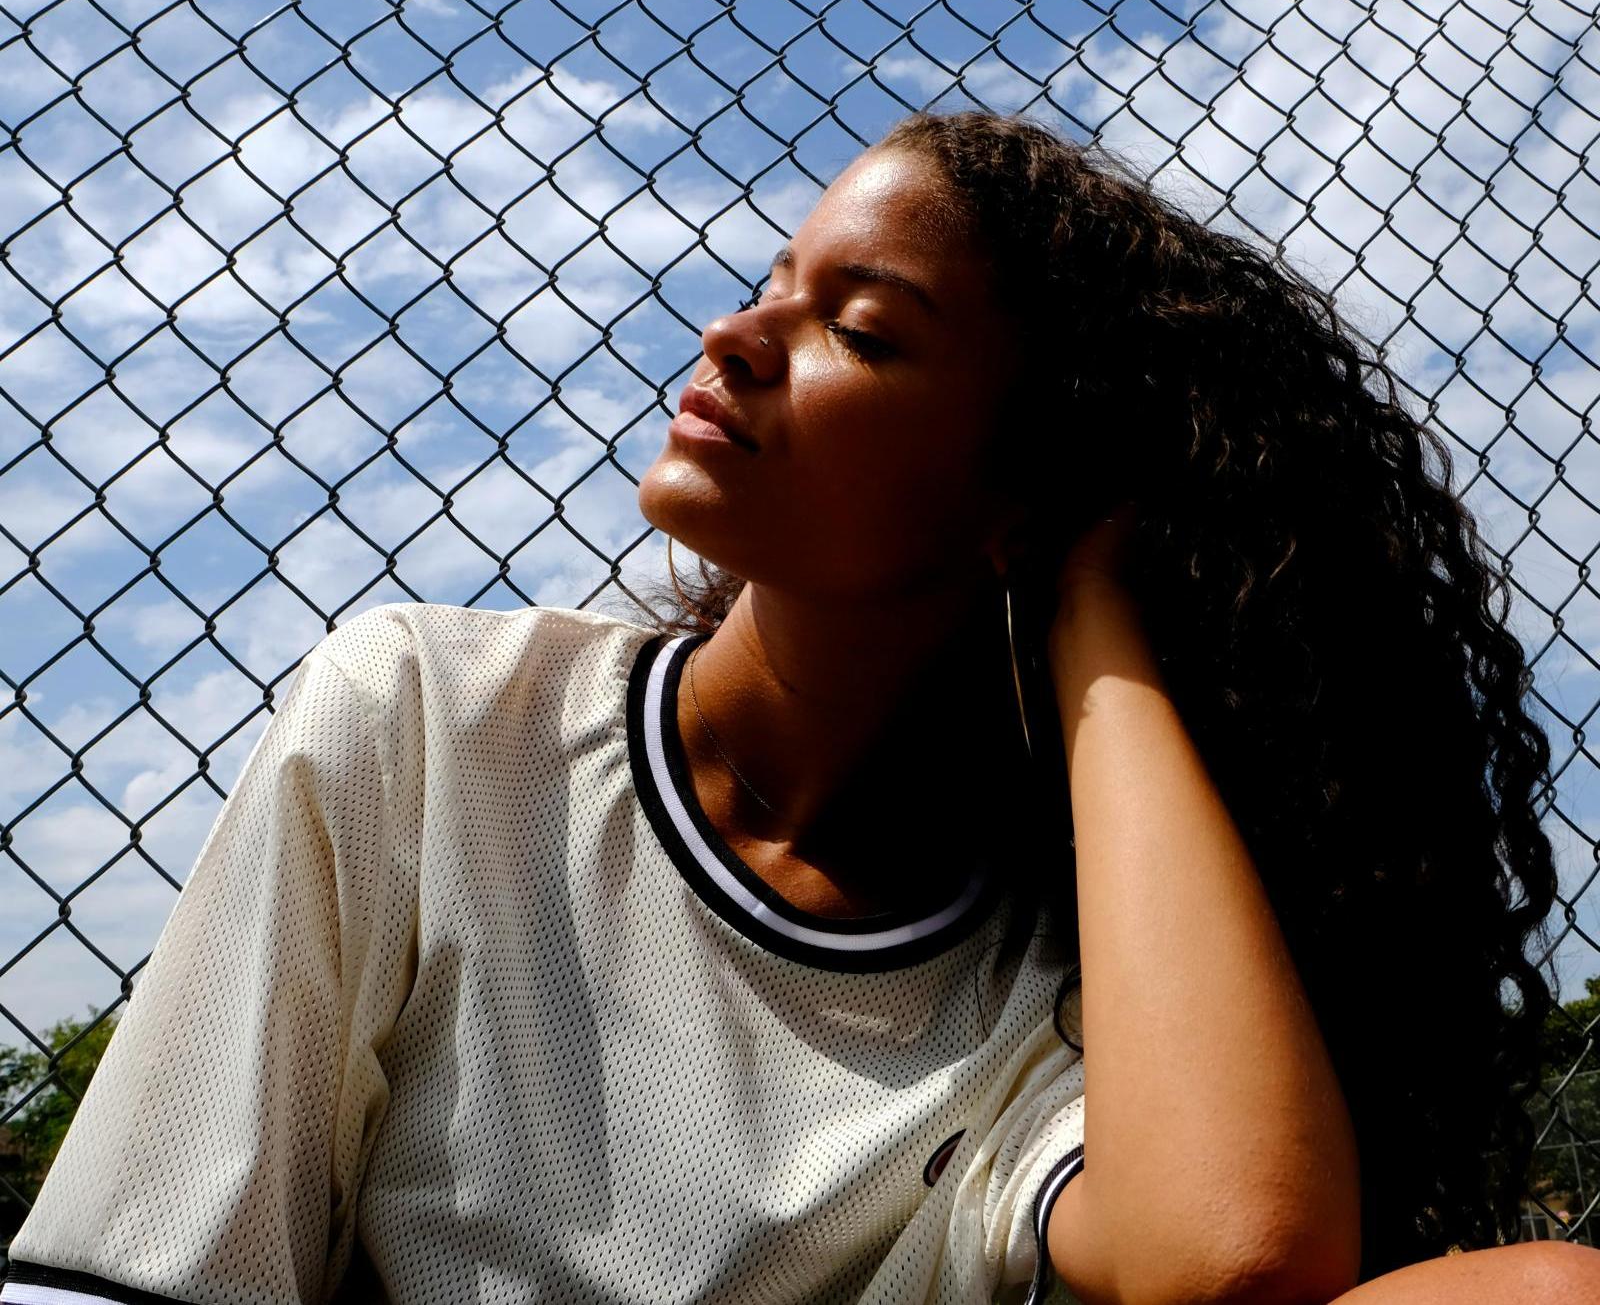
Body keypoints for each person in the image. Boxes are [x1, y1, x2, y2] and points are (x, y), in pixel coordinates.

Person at [2, 108, 1596, 1305]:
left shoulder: (1042, 981)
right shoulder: (426, 719)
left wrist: (1098, 619)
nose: (733, 334)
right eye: (776, 276)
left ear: (1018, 500)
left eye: (859, 327)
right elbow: (136, 1275)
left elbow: (1237, 1240)